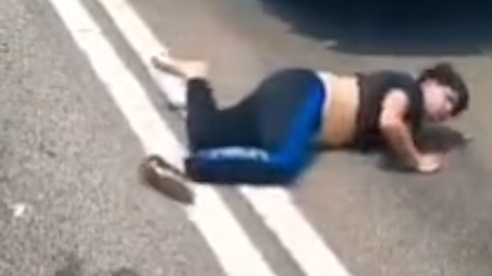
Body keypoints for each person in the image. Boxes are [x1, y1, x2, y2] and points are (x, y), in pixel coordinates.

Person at [137, 54, 471, 203]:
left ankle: (196, 76)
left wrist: (440, 139)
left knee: (205, 135)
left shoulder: (412, 119)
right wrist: (417, 161)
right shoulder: (406, 90)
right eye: (448, 98)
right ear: (429, 81)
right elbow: (389, 121)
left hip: (289, 96)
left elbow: (398, 131)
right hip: (308, 96)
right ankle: (186, 169)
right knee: (285, 163)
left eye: (451, 111)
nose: (445, 110)